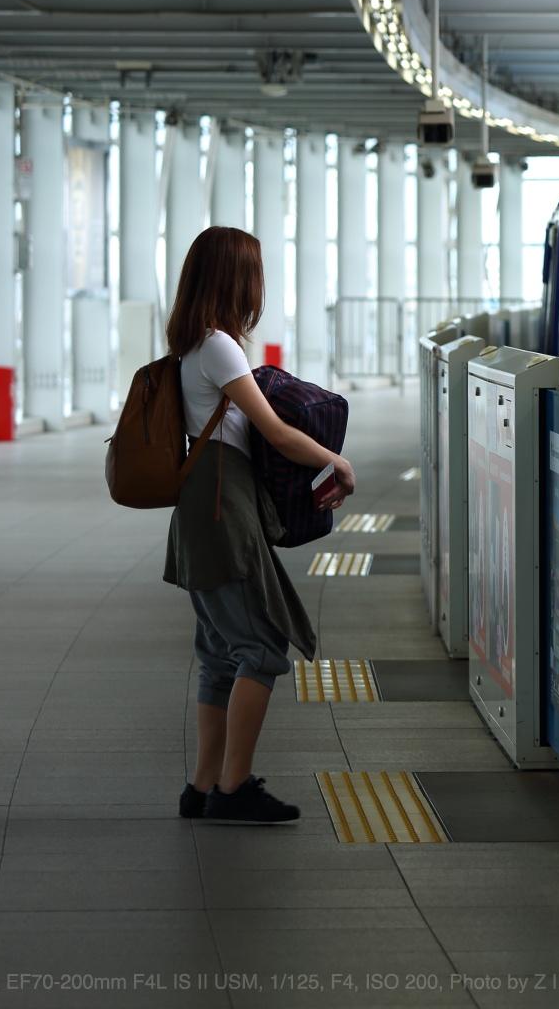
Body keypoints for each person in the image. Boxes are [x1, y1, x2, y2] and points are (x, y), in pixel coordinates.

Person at [163, 226, 356, 824]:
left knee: (222, 653)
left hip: (205, 506)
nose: (260, 285)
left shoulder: (188, 345)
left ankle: (203, 787)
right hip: (223, 510)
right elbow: (273, 430)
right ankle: (233, 786)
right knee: (261, 647)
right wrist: (335, 461)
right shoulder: (219, 346)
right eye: (255, 272)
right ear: (235, 278)